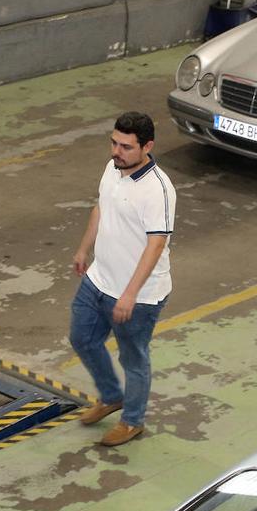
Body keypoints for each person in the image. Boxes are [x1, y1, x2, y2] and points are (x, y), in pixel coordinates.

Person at [70, 112, 176, 447]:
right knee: (82, 338)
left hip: (138, 296)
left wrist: (130, 294)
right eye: (114, 143)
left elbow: (156, 244)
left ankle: (132, 421)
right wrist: (84, 249)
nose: (117, 151)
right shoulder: (112, 168)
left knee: (133, 358)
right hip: (99, 279)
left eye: (126, 147)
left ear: (147, 146)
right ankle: (110, 395)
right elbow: (101, 208)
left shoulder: (157, 190)